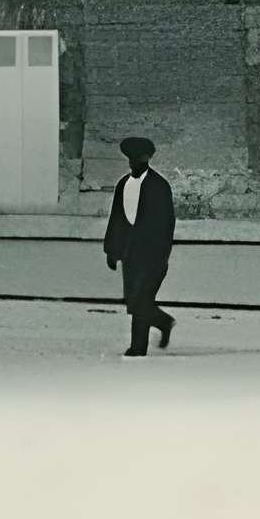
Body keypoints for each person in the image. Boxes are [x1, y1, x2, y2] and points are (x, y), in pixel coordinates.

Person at [102, 135, 177, 356]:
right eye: (131, 159)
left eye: (138, 159)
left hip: (153, 255)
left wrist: (162, 254)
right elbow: (116, 219)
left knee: (141, 300)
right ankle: (162, 323)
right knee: (135, 301)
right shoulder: (123, 184)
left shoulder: (159, 186)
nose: (134, 163)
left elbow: (167, 224)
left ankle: (139, 346)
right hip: (129, 253)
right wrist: (111, 251)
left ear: (146, 160)